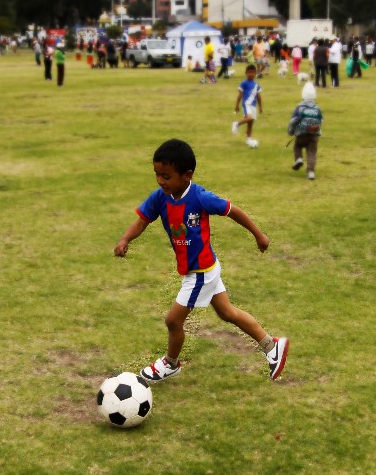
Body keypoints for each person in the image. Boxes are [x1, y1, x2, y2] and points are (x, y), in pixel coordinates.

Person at [113, 139, 289, 382]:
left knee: (173, 320)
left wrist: (259, 234)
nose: (160, 181)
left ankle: (171, 363)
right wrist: (125, 239)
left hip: (201, 272)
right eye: (157, 174)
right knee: (228, 313)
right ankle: (272, 345)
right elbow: (142, 221)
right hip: (199, 269)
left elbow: (233, 210)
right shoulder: (160, 197)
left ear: (187, 175)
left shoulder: (201, 197)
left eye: (166, 176)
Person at [288, 82, 323, 180]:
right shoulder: (317, 108)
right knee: (311, 153)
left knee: (297, 146)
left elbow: (293, 121)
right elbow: (320, 121)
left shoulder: (300, 108)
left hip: (301, 135)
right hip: (313, 136)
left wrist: (291, 131)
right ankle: (311, 171)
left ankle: (298, 158)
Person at [232, 64, 263, 147]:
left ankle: (248, 139)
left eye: (253, 72)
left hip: (253, 105)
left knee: (251, 122)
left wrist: (260, 106)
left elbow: (258, 96)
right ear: (246, 73)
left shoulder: (256, 85)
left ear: (255, 73)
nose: (251, 74)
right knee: (249, 117)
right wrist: (237, 105)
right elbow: (240, 95)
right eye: (249, 72)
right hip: (246, 104)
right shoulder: (244, 83)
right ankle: (236, 124)